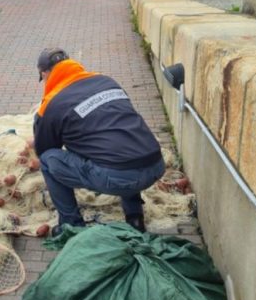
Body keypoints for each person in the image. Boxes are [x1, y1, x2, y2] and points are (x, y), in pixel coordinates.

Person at [32, 48, 165, 237]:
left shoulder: (51, 104)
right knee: (121, 146)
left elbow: (45, 149)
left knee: (47, 160)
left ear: (45, 73)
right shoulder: (106, 81)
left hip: (119, 178)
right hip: (156, 165)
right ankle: (135, 218)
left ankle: (71, 225)